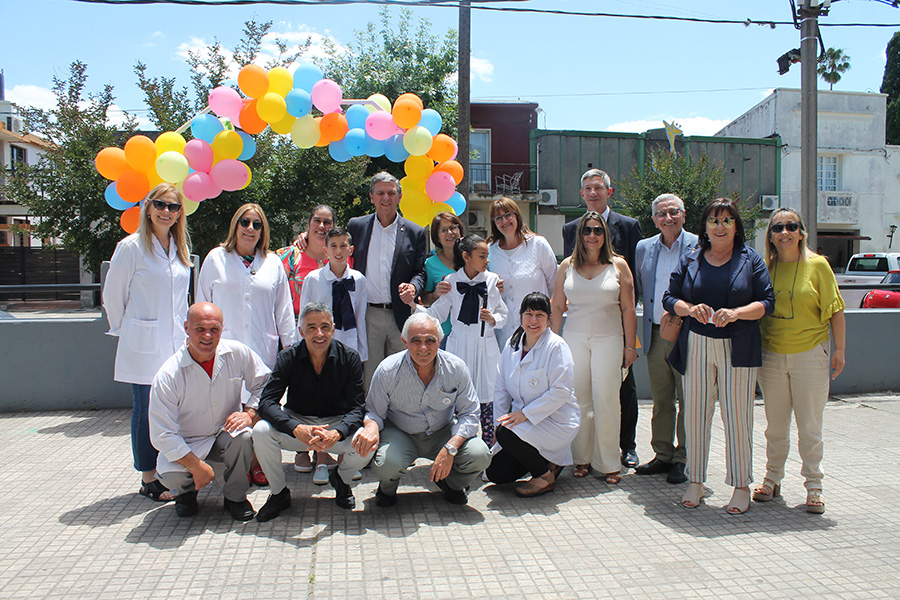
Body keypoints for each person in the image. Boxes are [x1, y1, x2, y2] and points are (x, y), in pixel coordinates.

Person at [663, 198, 774, 514]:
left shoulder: (749, 259)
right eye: (714, 221)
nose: (720, 226)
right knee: (696, 414)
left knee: (737, 417)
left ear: (736, 226)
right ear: (705, 227)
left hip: (737, 347)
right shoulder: (692, 258)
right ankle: (695, 480)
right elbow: (670, 297)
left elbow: (768, 302)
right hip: (697, 342)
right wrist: (689, 308)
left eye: (727, 221)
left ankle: (741, 486)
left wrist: (737, 313)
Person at [103, 183, 192, 503]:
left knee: (172, 409)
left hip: (175, 344)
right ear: (148, 207)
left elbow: (182, 299)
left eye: (173, 207)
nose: (166, 211)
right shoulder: (131, 247)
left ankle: (171, 467)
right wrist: (126, 328)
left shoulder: (179, 249)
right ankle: (148, 476)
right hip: (143, 343)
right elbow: (112, 295)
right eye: (160, 204)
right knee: (146, 410)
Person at [754, 208, 846, 514]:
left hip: (811, 354)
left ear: (801, 231)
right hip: (772, 356)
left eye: (791, 226)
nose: (784, 232)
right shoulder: (765, 267)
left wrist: (839, 350)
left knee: (809, 425)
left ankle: (814, 485)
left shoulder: (818, 265)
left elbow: (835, 310)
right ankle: (772, 479)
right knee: (775, 427)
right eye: (778, 227)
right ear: (770, 234)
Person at [197, 203, 296, 487]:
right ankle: (229, 464)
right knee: (227, 407)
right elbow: (202, 301)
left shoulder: (272, 262)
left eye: (257, 224)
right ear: (235, 226)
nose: (250, 229)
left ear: (263, 230)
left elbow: (284, 310)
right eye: (245, 222)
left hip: (262, 347)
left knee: (259, 406)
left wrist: (290, 350)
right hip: (222, 348)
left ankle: (257, 463)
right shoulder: (216, 258)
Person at [352, 313, 492, 507]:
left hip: (442, 432)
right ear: (404, 342)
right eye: (416, 340)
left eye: (430, 340)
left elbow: (469, 413)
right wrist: (371, 428)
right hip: (401, 433)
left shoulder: (456, 368)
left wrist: (451, 448)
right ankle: (387, 488)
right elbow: (374, 412)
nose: (423, 347)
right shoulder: (387, 370)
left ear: (440, 341)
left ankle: (451, 484)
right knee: (386, 464)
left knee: (480, 455)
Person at [149, 303, 271, 521]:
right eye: (199, 329)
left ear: (222, 329)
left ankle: (235, 497)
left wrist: (250, 413)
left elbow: (266, 384)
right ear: (186, 327)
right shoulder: (168, 375)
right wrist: (196, 467)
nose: (207, 336)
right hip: (188, 443)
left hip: (226, 436)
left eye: (214, 329)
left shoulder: (237, 352)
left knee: (245, 435)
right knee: (170, 473)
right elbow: (162, 434)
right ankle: (185, 495)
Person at [252, 302, 370, 521]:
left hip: (335, 425)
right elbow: (266, 402)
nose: (319, 334)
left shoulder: (350, 358)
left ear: (333, 329)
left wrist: (339, 432)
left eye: (325, 326)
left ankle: (342, 480)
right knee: (260, 431)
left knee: (369, 442)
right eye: (312, 327)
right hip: (298, 424)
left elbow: (357, 407)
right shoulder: (288, 357)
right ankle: (279, 493)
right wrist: (295, 428)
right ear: (301, 331)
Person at [562, 169, 643, 469]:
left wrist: (629, 341)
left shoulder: (629, 226)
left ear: (610, 192)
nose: (593, 193)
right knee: (582, 395)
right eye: (587, 188)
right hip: (579, 333)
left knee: (620, 393)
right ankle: (582, 456)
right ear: (581, 194)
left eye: (598, 188)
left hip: (615, 330)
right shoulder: (571, 229)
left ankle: (626, 448)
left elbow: (633, 289)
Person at [550, 212, 637, 485]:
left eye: (598, 230)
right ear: (580, 234)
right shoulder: (566, 265)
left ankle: (609, 462)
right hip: (574, 337)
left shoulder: (619, 266)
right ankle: (581, 458)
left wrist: (630, 347)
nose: (592, 235)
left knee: (607, 399)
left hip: (609, 339)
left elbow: (628, 308)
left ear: (605, 234)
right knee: (578, 400)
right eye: (587, 230)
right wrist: (551, 344)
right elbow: (555, 305)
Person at [406, 234, 507, 447]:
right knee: (457, 396)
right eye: (482, 256)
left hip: (485, 345)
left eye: (487, 255)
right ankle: (459, 447)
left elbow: (503, 314)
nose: (487, 260)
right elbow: (437, 314)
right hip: (459, 345)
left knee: (487, 397)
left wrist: (493, 319)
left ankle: (488, 448)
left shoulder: (491, 280)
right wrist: (415, 307)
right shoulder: (452, 281)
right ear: (466, 256)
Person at [486, 293, 580, 498]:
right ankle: (548, 461)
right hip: (526, 424)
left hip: (556, 421)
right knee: (496, 473)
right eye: (529, 314)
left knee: (506, 431)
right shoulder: (513, 344)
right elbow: (501, 389)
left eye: (540, 315)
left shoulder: (556, 346)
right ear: (520, 317)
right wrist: (496, 427)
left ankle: (544, 476)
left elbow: (561, 391)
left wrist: (525, 414)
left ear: (549, 319)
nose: (534, 321)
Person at [633, 194, 698, 485]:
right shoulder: (643, 247)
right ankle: (662, 454)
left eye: (673, 212)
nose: (667, 218)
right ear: (654, 219)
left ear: (683, 215)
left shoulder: (699, 244)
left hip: (690, 334)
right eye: (661, 214)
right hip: (656, 332)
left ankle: (684, 458)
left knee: (688, 398)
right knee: (661, 398)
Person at [276, 205, 340, 476]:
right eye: (317, 221)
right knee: (298, 393)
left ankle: (323, 450)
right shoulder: (288, 256)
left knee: (325, 393)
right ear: (308, 224)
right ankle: (302, 449)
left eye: (328, 222)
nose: (322, 227)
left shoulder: (337, 259)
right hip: (294, 334)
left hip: (325, 337)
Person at [347, 172, 427, 389]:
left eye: (391, 193)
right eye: (380, 193)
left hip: (399, 314)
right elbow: (334, 245)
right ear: (371, 197)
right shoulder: (356, 226)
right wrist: (304, 238)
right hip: (368, 313)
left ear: (399, 197)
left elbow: (420, 272)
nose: (386, 198)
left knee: (402, 372)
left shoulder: (415, 232)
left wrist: (413, 286)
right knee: (370, 375)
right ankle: (372, 419)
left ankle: (400, 419)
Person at [487, 198, 558, 348]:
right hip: (504, 331)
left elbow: (554, 283)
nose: (504, 221)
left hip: (536, 327)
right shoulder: (490, 250)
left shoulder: (538, 245)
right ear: (494, 222)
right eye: (498, 218)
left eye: (508, 215)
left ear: (517, 216)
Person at [299, 227, 368, 362]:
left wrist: (362, 352)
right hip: (319, 345)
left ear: (351, 250)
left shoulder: (359, 279)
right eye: (333, 246)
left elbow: (360, 317)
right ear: (325, 250)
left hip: (349, 344)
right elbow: (304, 316)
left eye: (343, 246)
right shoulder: (313, 279)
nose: (338, 251)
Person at [421, 211, 464, 342]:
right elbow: (425, 299)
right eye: (443, 230)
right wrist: (436, 294)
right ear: (437, 237)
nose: (450, 233)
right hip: (444, 334)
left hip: (473, 333)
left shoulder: (474, 258)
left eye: (453, 227)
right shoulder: (430, 264)